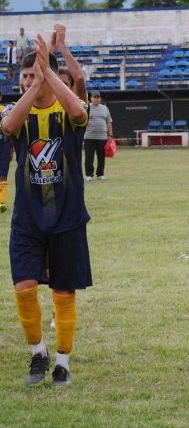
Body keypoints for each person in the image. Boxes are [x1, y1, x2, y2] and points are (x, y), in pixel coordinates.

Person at [2, 35, 90, 387]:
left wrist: (49, 68)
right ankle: (38, 352)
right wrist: (36, 81)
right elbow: (8, 127)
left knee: (63, 292)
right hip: (27, 219)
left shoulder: (67, 111)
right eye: (24, 76)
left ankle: (63, 361)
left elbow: (79, 109)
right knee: (23, 286)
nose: (29, 79)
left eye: (33, 74)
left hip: (67, 217)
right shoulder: (14, 112)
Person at [84, 91, 113, 181]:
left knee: (101, 157)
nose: (96, 99)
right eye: (94, 97)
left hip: (102, 137)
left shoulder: (105, 108)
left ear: (100, 98)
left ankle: (100, 174)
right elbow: (82, 119)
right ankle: (89, 175)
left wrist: (110, 135)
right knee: (89, 157)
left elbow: (109, 122)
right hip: (89, 137)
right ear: (91, 98)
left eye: (98, 97)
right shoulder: (87, 107)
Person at [0, 92, 11, 213]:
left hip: (4, 145)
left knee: (3, 175)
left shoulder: (5, 111)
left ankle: (2, 202)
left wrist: (11, 149)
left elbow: (10, 131)